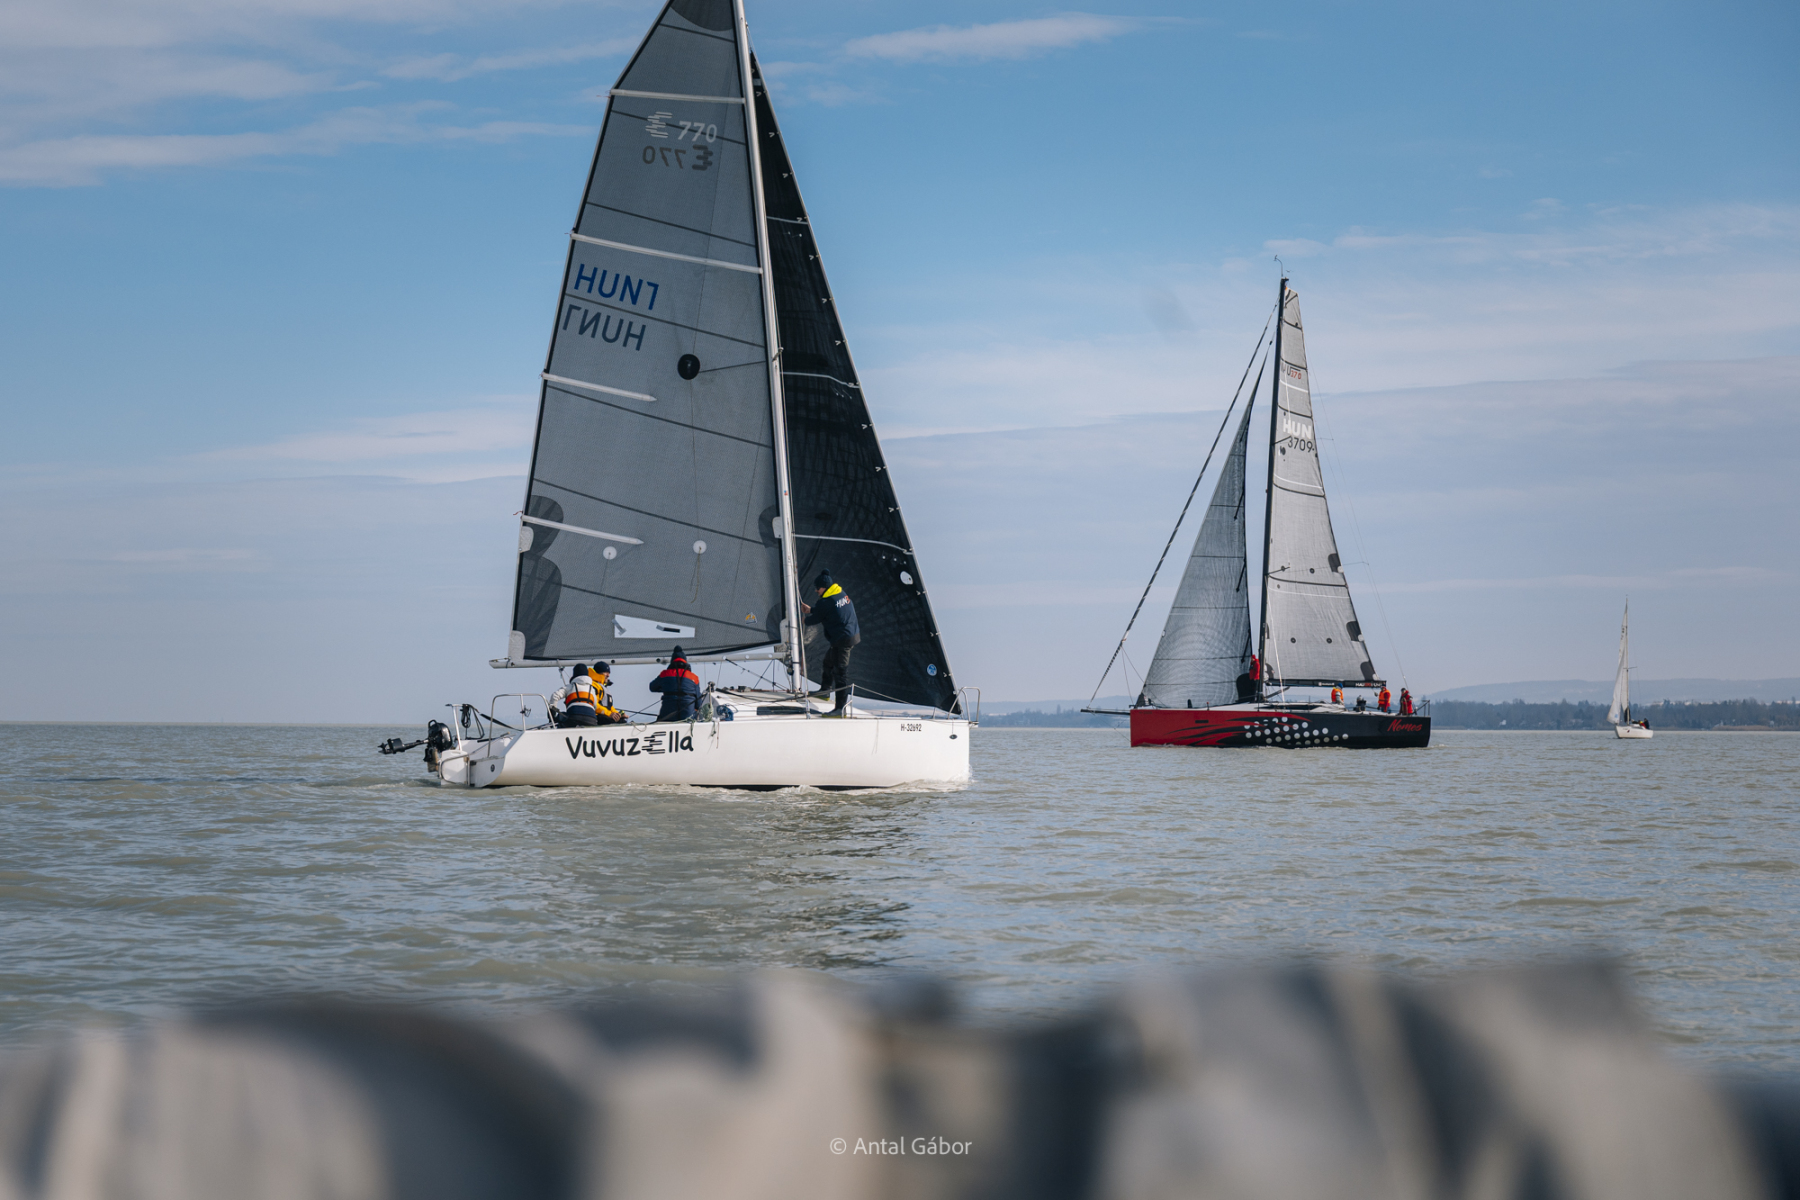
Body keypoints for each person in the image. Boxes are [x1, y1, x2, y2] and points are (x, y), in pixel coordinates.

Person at [801, 570, 860, 715]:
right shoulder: (839, 593)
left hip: (843, 639)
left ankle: (840, 709)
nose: (816, 590)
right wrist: (812, 609)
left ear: (824, 587)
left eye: (818, 588)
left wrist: (803, 619)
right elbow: (829, 609)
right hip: (849, 635)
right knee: (828, 662)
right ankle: (825, 691)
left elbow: (813, 619)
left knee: (840, 673)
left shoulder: (825, 602)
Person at [650, 646, 701, 722]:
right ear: (685, 661)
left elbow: (652, 687)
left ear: (672, 661)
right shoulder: (694, 677)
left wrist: (667, 687)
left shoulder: (665, 674)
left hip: (668, 714)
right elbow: (698, 702)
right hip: (688, 715)